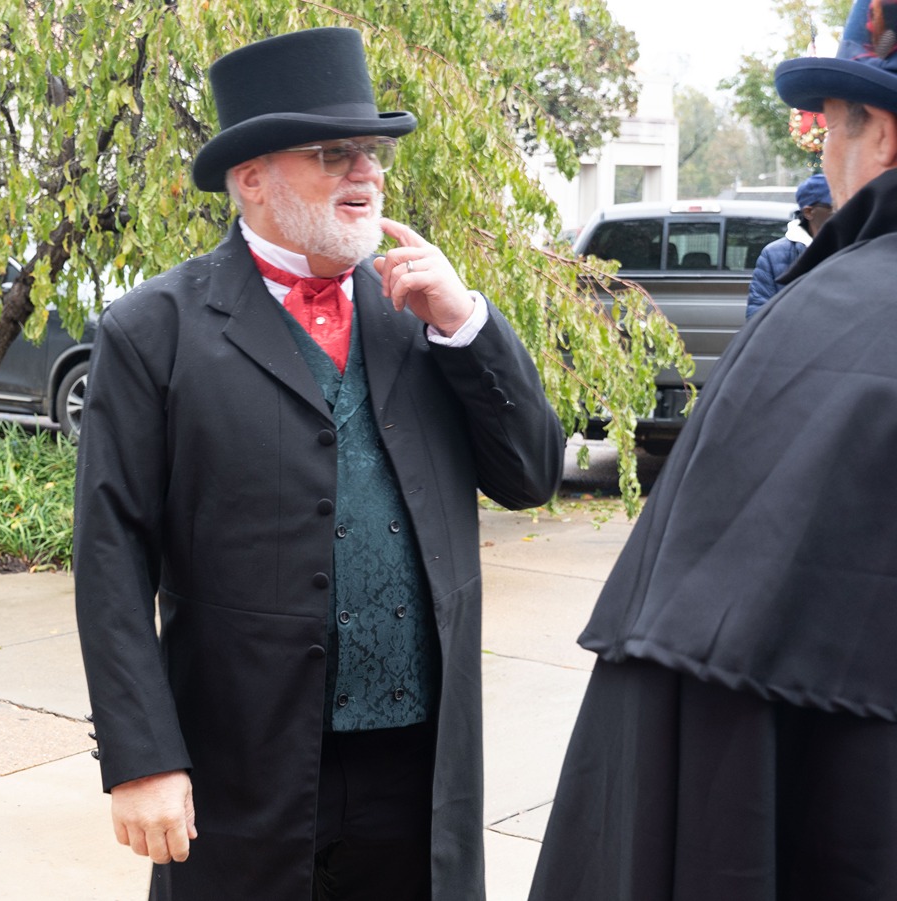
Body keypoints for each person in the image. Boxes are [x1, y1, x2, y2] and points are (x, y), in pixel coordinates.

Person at [74, 27, 563, 901]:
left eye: (372, 152)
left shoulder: (422, 312)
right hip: (242, 763)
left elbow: (531, 474)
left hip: (416, 761)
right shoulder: (153, 331)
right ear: (252, 177)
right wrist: (141, 757)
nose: (366, 172)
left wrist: (466, 325)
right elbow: (111, 556)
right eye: (334, 153)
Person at [528, 3, 897, 899]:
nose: (824, 154)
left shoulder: (818, 335)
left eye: (827, 130)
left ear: (881, 133)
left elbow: (698, 723)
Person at [744, 173, 833, 319]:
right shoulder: (773, 255)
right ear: (809, 212)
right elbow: (758, 316)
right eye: (835, 206)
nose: (845, 211)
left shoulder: (854, 247)